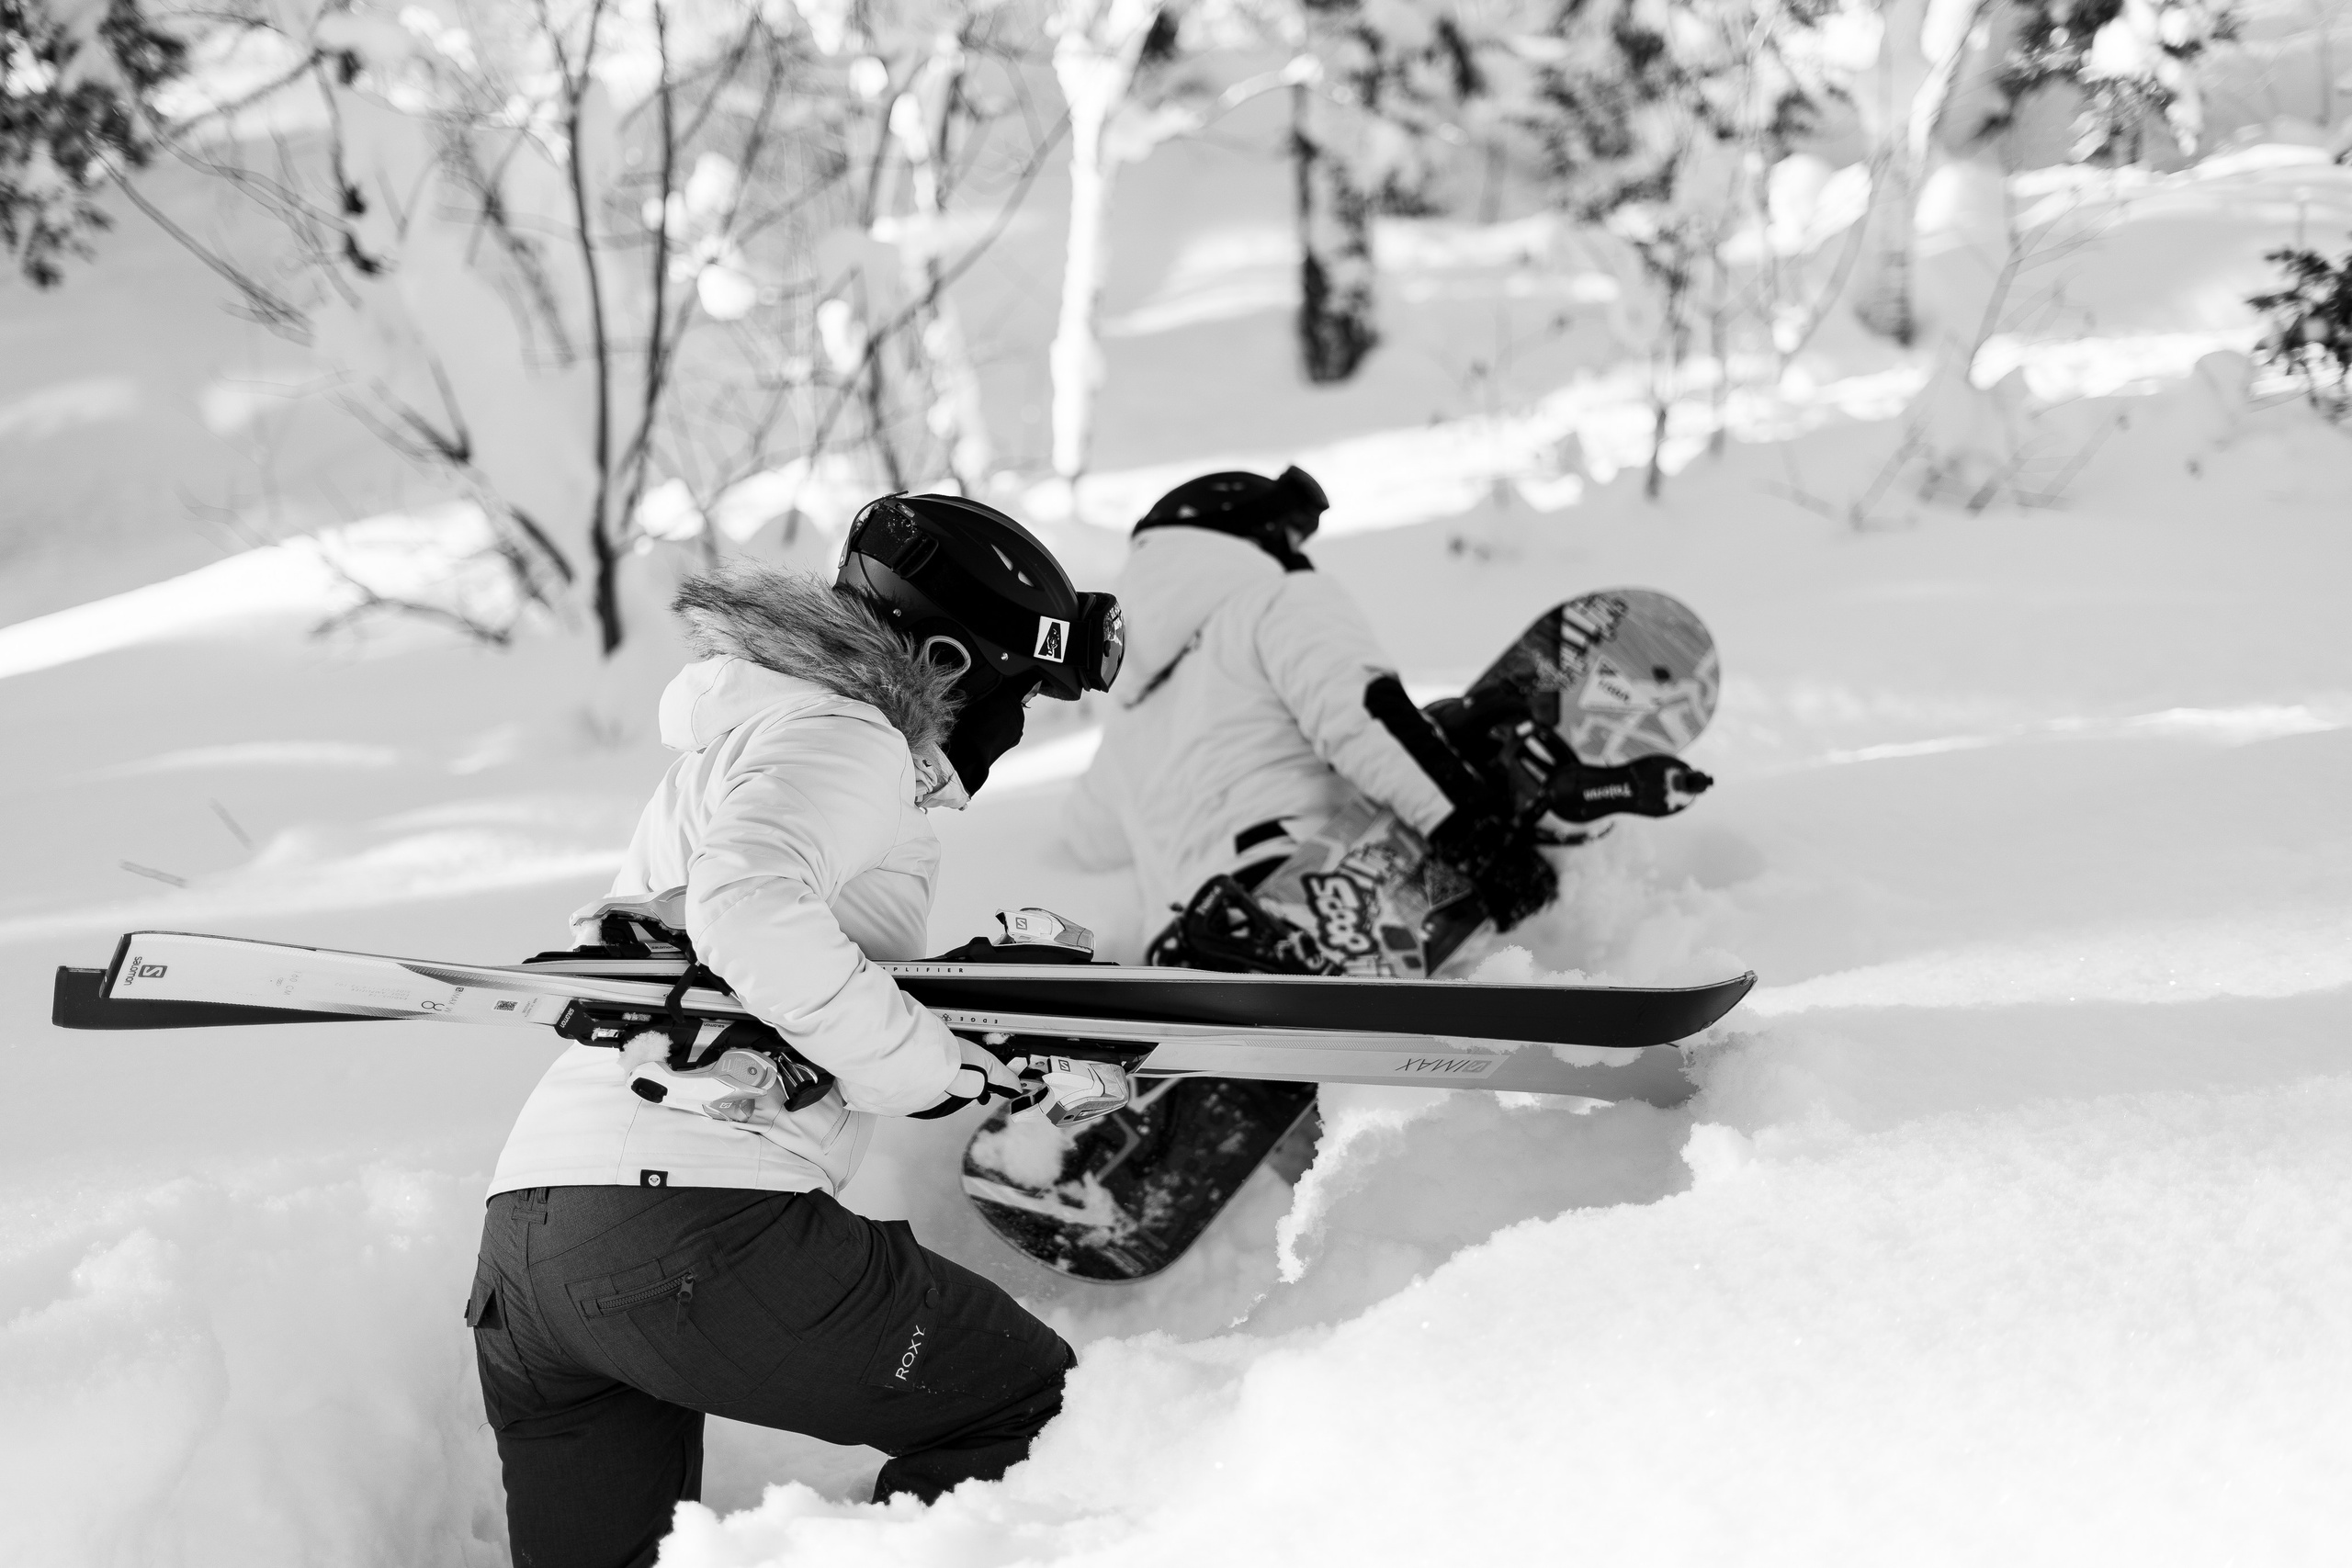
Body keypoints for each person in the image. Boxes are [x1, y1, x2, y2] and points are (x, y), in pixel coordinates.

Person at [466, 494, 1125, 1568]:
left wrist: (958, 1027)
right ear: (948, 663)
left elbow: (752, 989)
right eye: (1012, 694)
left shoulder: (760, 737)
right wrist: (931, 1066)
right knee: (1039, 1412)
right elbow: (747, 909)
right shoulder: (849, 732)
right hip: (692, 1229)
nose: (1006, 732)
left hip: (535, 1251)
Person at [1065, 465, 1552, 957]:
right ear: (1255, 534)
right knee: (1453, 745)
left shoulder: (1127, 715)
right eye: (1291, 538)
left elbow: (1087, 838)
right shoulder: (1277, 601)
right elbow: (1364, 718)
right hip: (1303, 897)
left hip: (1190, 948)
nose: (1298, 554)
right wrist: (1478, 837)